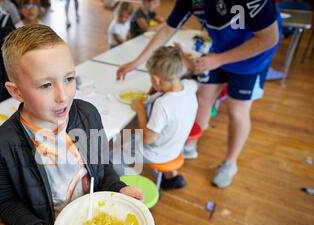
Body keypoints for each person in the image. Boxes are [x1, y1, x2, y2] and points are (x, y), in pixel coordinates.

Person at [0, 24, 144, 225]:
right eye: (46, 85)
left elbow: (102, 167)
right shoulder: (2, 146)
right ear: (17, 91)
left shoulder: (87, 115)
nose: (63, 95)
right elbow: (5, 204)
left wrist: (118, 189)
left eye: (69, 79)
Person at [117, 0, 282, 188]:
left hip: (252, 58)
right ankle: (188, 145)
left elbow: (269, 38)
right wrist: (137, 61)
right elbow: (167, 30)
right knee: (203, 98)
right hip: (219, 49)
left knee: (237, 112)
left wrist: (220, 60)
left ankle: (230, 162)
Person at [121, 46, 198, 189]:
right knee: (132, 139)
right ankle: (171, 177)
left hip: (157, 153)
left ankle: (134, 188)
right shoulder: (190, 86)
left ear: (156, 79)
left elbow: (147, 140)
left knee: (115, 155)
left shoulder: (163, 104)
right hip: (175, 147)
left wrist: (140, 110)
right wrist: (155, 89)